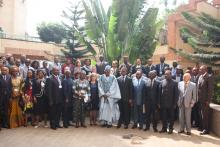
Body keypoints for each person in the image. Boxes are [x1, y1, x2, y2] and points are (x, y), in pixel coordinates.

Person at [159, 70, 178, 134]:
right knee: (164, 117)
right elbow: (159, 93)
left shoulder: (175, 82)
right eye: (165, 74)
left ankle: (170, 128)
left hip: (171, 104)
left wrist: (175, 103)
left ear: (170, 74)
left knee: (171, 117)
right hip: (163, 103)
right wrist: (159, 102)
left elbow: (176, 94)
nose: (166, 75)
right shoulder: (162, 82)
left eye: (167, 74)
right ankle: (164, 128)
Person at [198, 65, 214, 135]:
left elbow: (210, 90)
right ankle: (202, 127)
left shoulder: (209, 77)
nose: (199, 70)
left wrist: (208, 100)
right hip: (200, 99)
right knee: (202, 115)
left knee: (205, 115)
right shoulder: (201, 77)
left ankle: (206, 129)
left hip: (205, 101)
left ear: (205, 70)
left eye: (201, 69)